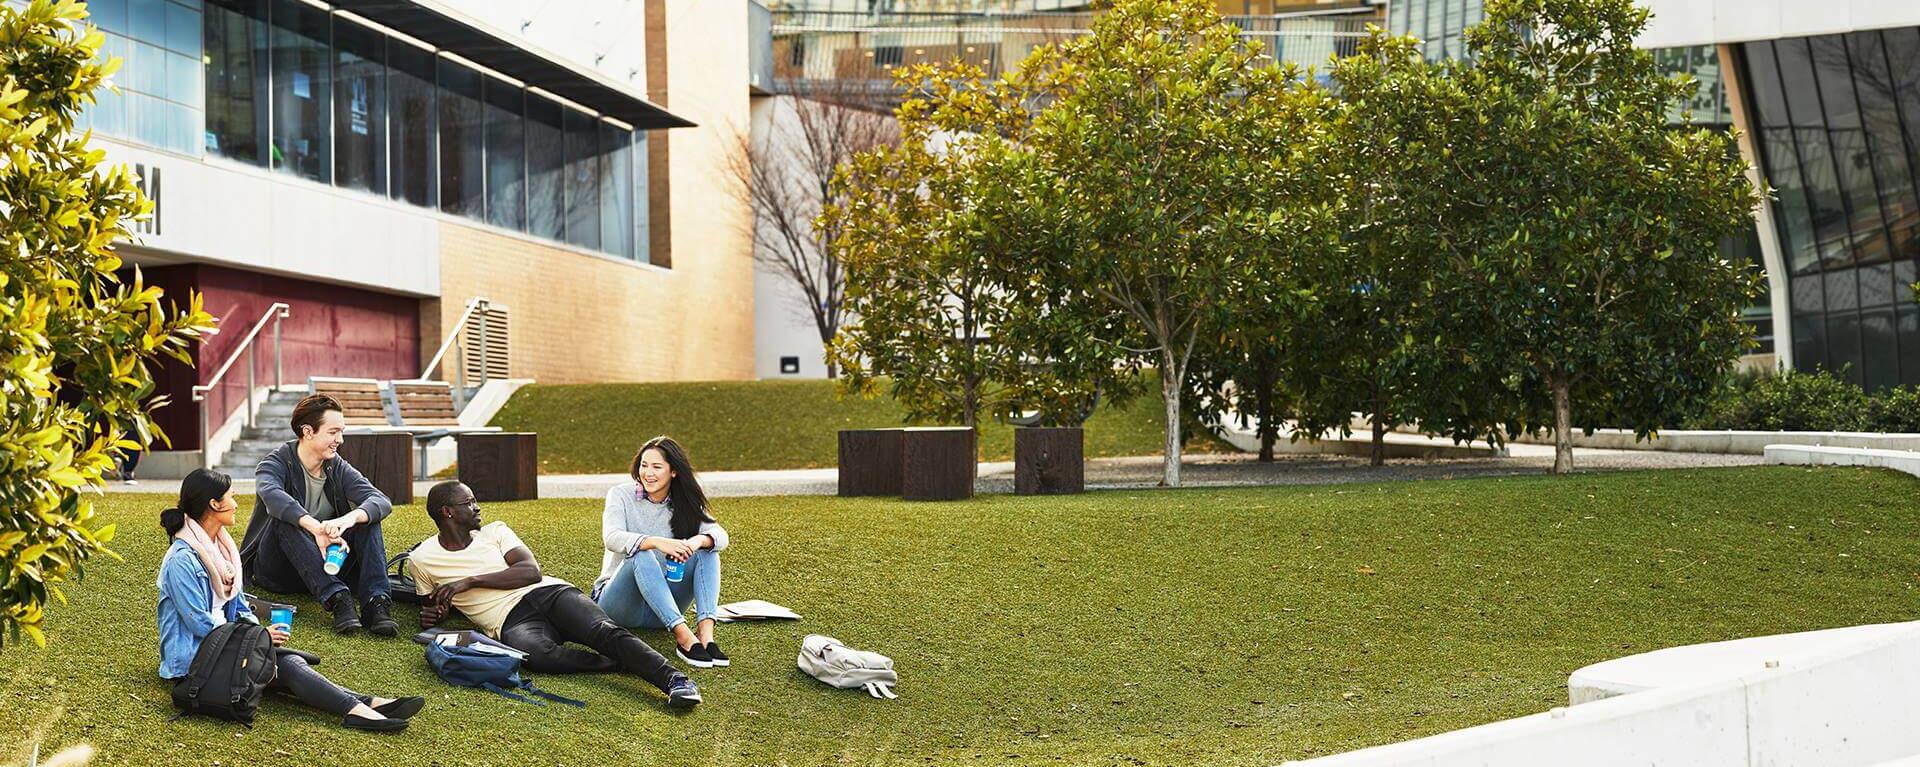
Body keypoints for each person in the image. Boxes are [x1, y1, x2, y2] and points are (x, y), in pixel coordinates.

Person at [158, 468, 423, 732]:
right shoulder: (182, 560)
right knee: (285, 664)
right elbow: (199, 624)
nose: (236, 504)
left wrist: (255, 635)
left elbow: (238, 607)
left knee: (285, 664)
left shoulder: (222, 548)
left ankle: (365, 705)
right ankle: (361, 709)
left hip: (225, 645)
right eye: (231, 497)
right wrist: (257, 637)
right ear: (214, 504)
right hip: (194, 662)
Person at [410, 480, 703, 708]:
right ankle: (617, 662)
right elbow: (432, 608)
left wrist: (468, 582)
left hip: (549, 592)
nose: (477, 507)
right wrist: (437, 614)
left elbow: (529, 571)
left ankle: (675, 680)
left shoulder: (495, 531)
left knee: (604, 631)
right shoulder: (422, 559)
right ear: (447, 512)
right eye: (469, 502)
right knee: (537, 657)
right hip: (510, 620)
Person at [239, 393, 398, 636]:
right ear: (308, 431)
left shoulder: (336, 466)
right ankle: (338, 599)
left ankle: (376, 602)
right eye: (333, 432)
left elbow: (380, 500)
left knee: (367, 517)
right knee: (284, 520)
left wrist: (347, 519)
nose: (340, 440)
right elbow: (273, 497)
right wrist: (316, 529)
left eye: (341, 432)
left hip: (328, 563)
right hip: (279, 571)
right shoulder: (275, 463)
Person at [594, 436, 732, 668]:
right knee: (641, 552)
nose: (648, 473)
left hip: (662, 606)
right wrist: (657, 542)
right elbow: (612, 538)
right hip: (619, 605)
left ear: (674, 472)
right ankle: (683, 636)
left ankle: (706, 636)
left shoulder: (684, 501)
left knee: (708, 548)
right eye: (644, 465)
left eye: (657, 467)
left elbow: (721, 536)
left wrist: (697, 541)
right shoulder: (620, 494)